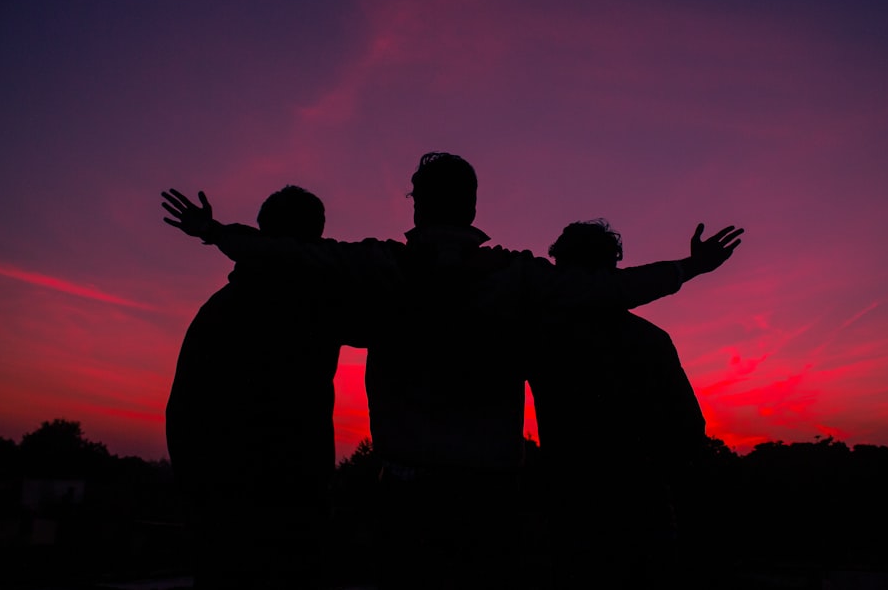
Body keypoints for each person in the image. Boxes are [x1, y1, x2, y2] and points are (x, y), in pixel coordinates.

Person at [161, 153, 743, 589]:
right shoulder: (517, 278)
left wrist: (215, 233)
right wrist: (689, 267)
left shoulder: (378, 266)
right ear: (472, 206)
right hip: (493, 494)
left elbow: (291, 254)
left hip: (406, 491)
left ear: (417, 204)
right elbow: (610, 289)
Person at [165, 185, 347, 590]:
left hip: (233, 505)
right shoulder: (326, 300)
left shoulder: (223, 309)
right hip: (284, 502)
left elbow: (182, 416)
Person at [528, 219, 709, 589]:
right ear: (613, 267)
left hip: (568, 506)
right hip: (644, 506)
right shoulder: (651, 339)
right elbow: (689, 430)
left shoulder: (539, 337)